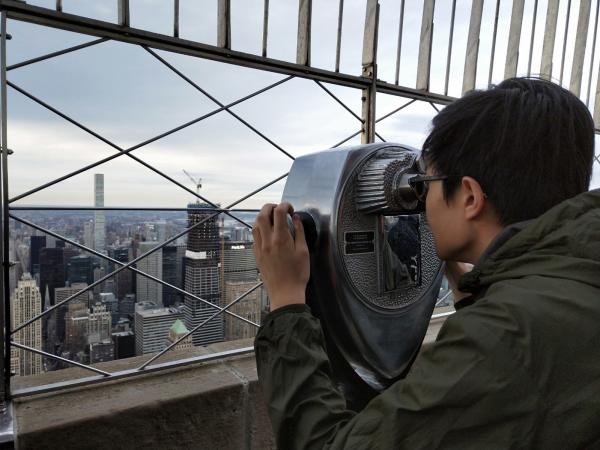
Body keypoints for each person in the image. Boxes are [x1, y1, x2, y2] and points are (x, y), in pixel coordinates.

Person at [252, 77, 600, 449]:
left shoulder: (499, 337)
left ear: (469, 197)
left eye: (427, 183)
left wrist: (287, 301)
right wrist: (481, 286)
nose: (421, 203)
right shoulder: (570, 278)